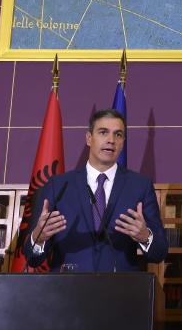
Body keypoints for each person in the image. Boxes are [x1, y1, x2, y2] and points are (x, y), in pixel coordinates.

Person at [23, 108, 167, 271]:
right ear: (89, 138)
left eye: (118, 135)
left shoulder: (140, 186)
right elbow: (31, 258)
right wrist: (38, 237)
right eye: (103, 132)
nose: (111, 140)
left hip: (119, 291)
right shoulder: (59, 185)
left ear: (123, 142)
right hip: (67, 291)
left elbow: (160, 252)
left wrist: (145, 237)